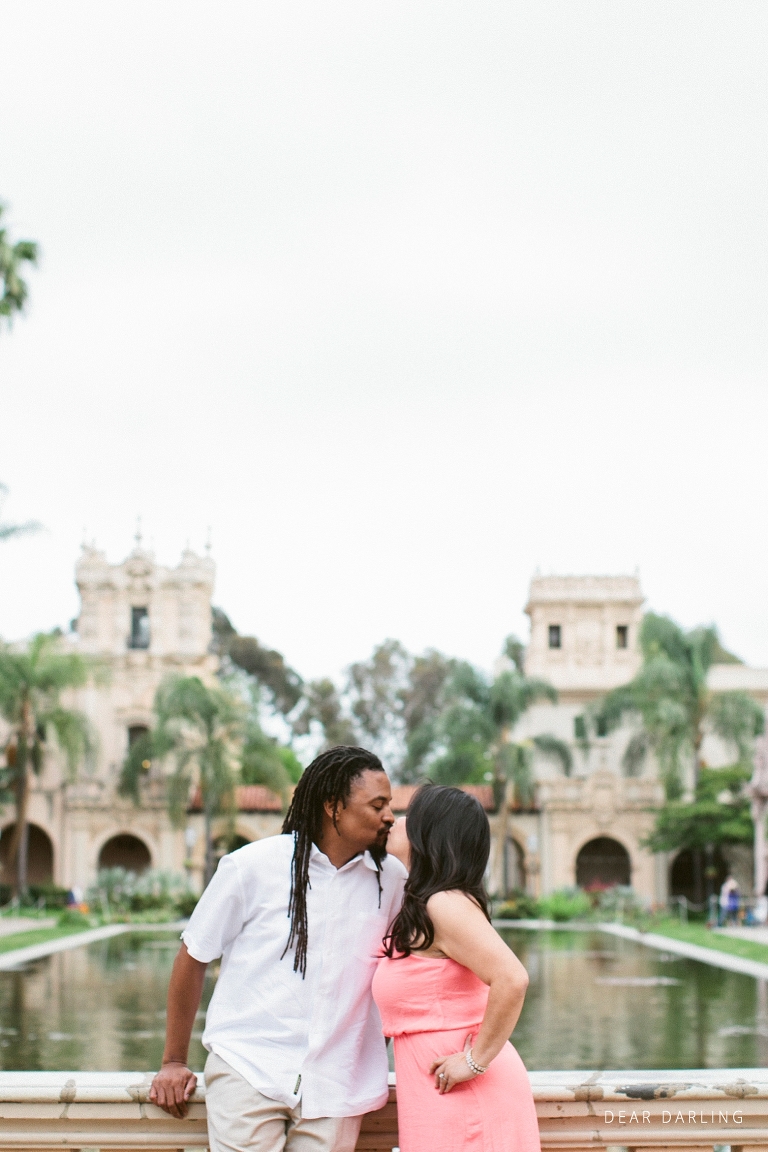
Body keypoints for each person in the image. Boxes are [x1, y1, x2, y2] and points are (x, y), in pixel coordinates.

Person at [149, 746, 407, 1152]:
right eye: (377, 805)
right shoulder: (250, 867)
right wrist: (173, 1061)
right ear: (333, 806)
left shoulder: (390, 881)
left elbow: (397, 975)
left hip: (337, 1087)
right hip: (248, 1071)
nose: (389, 816)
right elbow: (194, 955)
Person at [372, 784, 539, 1152]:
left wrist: (475, 1061)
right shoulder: (424, 903)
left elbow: (512, 978)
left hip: (466, 1095)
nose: (396, 822)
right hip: (439, 1094)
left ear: (427, 836)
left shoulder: (444, 904)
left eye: (408, 817)